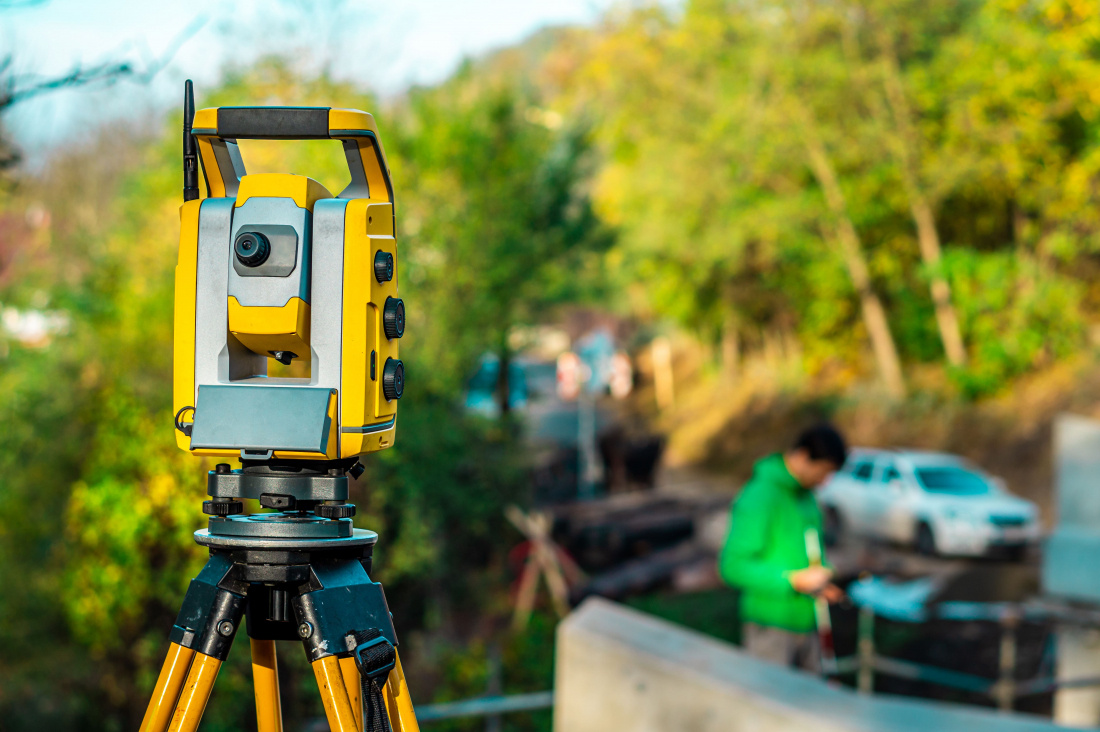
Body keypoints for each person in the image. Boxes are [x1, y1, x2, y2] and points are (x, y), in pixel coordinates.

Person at [718, 423, 848, 671]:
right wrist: (793, 580)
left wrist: (819, 580)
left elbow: (809, 555)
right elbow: (732, 566)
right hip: (771, 628)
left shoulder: (807, 497)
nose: (825, 481)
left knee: (810, 704)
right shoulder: (760, 496)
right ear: (802, 456)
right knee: (769, 706)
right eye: (822, 472)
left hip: (809, 623)